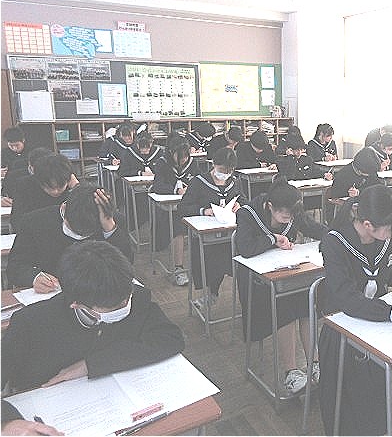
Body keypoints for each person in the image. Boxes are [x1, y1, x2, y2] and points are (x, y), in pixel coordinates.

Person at [319, 184, 392, 435]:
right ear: (367, 225)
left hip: (381, 324)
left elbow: (388, 270)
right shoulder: (334, 242)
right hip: (345, 334)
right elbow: (347, 300)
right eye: (390, 228)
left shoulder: (382, 236)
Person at [2, 240, 185, 394]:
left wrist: (90, 365)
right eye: (114, 308)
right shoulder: (30, 323)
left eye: (126, 298)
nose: (125, 305)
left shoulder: (134, 295)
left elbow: (171, 338)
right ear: (77, 304)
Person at [235, 178, 327, 395]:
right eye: (284, 214)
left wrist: (335, 237)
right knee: (286, 307)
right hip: (256, 281)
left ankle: (315, 363)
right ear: (270, 206)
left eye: (292, 214)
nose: (289, 218)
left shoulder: (292, 212)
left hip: (287, 273)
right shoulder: (247, 213)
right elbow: (245, 248)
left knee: (307, 303)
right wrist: (272, 239)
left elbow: (314, 228)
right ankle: (290, 372)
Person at [6, 183, 132, 290]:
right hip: (53, 292)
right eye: (74, 230)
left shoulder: (111, 221)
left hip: (97, 293)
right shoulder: (34, 222)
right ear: (64, 208)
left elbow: (127, 266)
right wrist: (34, 277)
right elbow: (15, 267)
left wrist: (110, 229)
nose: (80, 237)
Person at [178, 147, 246, 303]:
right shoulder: (198, 182)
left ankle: (242, 298)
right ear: (214, 164)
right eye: (222, 170)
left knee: (239, 260)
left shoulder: (234, 182)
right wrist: (204, 211)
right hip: (207, 235)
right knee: (213, 262)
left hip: (230, 232)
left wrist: (240, 205)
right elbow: (183, 208)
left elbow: (243, 200)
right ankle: (211, 292)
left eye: (229, 171)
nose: (225, 174)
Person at [151, 133, 200, 286]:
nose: (184, 160)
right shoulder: (162, 163)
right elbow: (158, 185)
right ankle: (179, 268)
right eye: (181, 156)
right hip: (168, 208)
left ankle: (201, 268)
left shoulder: (192, 163)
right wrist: (176, 191)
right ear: (172, 152)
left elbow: (199, 181)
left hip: (188, 205)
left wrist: (190, 189)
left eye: (186, 156)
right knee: (178, 228)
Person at [10, 153, 79, 233]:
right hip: (35, 233)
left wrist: (77, 187)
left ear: (68, 180)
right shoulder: (24, 186)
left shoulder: (73, 186)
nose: (55, 191)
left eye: (60, 186)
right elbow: (16, 221)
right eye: (49, 187)